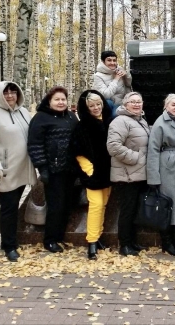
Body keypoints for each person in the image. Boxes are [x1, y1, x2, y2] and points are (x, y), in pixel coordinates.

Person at [0, 81, 37, 262]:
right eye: (6, 93)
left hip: (22, 168)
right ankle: (9, 245)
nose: (10, 96)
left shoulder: (23, 112)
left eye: (13, 92)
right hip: (5, 171)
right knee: (9, 208)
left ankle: (10, 240)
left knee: (14, 205)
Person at [27, 86, 78, 254]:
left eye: (63, 99)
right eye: (57, 99)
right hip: (53, 170)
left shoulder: (71, 117)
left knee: (67, 204)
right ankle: (50, 240)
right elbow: (35, 145)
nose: (61, 102)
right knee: (55, 206)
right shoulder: (41, 118)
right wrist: (43, 168)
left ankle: (60, 237)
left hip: (71, 170)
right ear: (49, 101)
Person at [147, 94, 175, 257]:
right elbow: (152, 150)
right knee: (168, 207)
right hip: (168, 169)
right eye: (173, 104)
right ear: (166, 106)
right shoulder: (161, 123)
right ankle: (167, 243)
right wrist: (153, 177)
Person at [70, 90, 113, 260]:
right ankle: (92, 242)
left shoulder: (109, 122)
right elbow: (77, 151)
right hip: (94, 174)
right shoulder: (82, 126)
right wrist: (90, 170)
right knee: (96, 205)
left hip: (109, 172)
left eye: (98, 104)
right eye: (92, 106)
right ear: (86, 108)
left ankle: (99, 236)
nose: (96, 108)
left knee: (104, 205)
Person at [107, 92, 151, 256]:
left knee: (133, 209)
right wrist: (136, 158)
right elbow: (113, 146)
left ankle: (132, 242)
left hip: (137, 173)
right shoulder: (120, 121)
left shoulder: (140, 121)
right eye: (132, 102)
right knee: (127, 210)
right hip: (127, 174)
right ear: (125, 105)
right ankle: (124, 245)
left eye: (139, 102)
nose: (136, 104)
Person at [93, 50, 132, 118]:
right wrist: (116, 79)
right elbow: (106, 95)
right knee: (115, 114)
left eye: (114, 60)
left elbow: (129, 85)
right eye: (109, 60)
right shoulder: (98, 76)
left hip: (123, 102)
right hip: (110, 104)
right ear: (103, 62)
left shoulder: (119, 70)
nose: (112, 63)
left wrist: (126, 75)